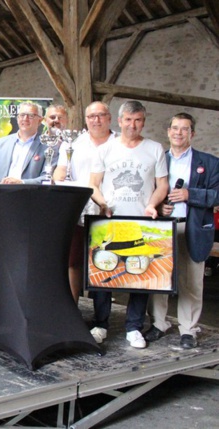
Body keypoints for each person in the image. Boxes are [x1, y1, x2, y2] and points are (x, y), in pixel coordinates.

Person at [89, 100, 169, 349]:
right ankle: (101, 324)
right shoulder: (105, 149)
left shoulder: (155, 149)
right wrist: (103, 204)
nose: (133, 125)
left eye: (138, 120)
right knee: (103, 275)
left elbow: (162, 185)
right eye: (128, 120)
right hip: (110, 221)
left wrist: (152, 205)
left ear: (143, 122)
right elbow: (93, 184)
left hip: (141, 221)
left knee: (139, 275)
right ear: (120, 121)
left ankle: (133, 328)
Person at [146, 113, 219, 349]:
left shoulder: (209, 163)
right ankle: (158, 323)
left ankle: (188, 329)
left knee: (191, 281)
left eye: (184, 129)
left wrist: (190, 195)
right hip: (163, 227)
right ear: (168, 132)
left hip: (193, 226)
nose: (178, 133)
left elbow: (217, 195)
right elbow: (146, 192)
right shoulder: (158, 160)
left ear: (192, 134)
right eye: (175, 128)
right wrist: (160, 206)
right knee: (159, 278)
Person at [0, 101, 54, 288]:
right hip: (1, 206)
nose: (25, 119)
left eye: (30, 115)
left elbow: (47, 177)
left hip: (27, 208)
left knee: (22, 258)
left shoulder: (47, 145)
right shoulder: (2, 142)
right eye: (21, 115)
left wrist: (21, 183)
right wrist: (0, 187)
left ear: (40, 120)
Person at [54, 101, 116, 303]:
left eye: (101, 115)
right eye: (91, 116)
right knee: (74, 261)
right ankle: (72, 309)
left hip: (111, 211)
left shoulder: (118, 144)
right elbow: (59, 173)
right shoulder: (72, 143)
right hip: (78, 210)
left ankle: (102, 316)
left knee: (104, 261)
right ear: (86, 119)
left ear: (109, 117)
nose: (96, 120)